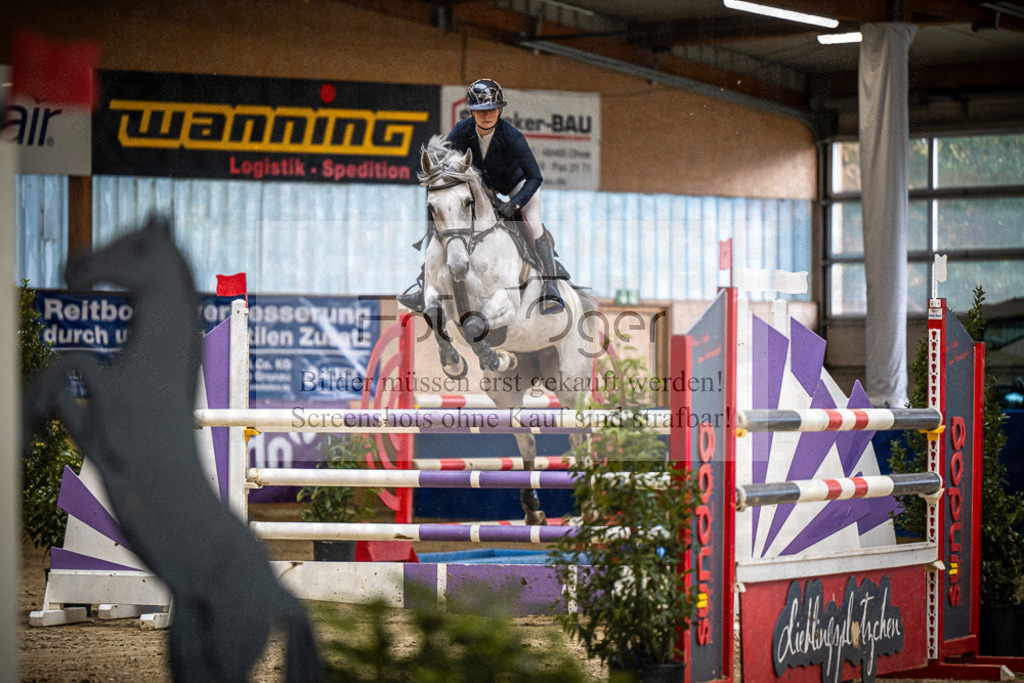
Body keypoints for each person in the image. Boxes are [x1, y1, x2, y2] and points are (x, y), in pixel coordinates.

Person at [398, 78, 565, 314]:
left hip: (516, 186)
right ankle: (424, 283)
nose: (487, 116)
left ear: (499, 110)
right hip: (482, 188)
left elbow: (535, 177)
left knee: (533, 225)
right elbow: (447, 167)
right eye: (480, 111)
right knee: (444, 221)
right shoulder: (461, 131)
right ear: (472, 112)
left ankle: (550, 285)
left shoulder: (512, 136)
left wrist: (515, 205)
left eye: (492, 110)